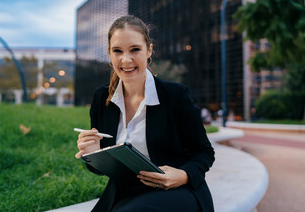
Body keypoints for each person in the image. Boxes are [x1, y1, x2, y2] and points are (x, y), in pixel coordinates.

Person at [75, 15, 215, 212]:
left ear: (149, 50)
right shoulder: (101, 98)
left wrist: (182, 175)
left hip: (178, 192)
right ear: (109, 54)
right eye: (117, 51)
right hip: (125, 194)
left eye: (135, 50)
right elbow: (100, 169)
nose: (126, 59)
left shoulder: (176, 95)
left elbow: (204, 152)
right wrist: (92, 154)